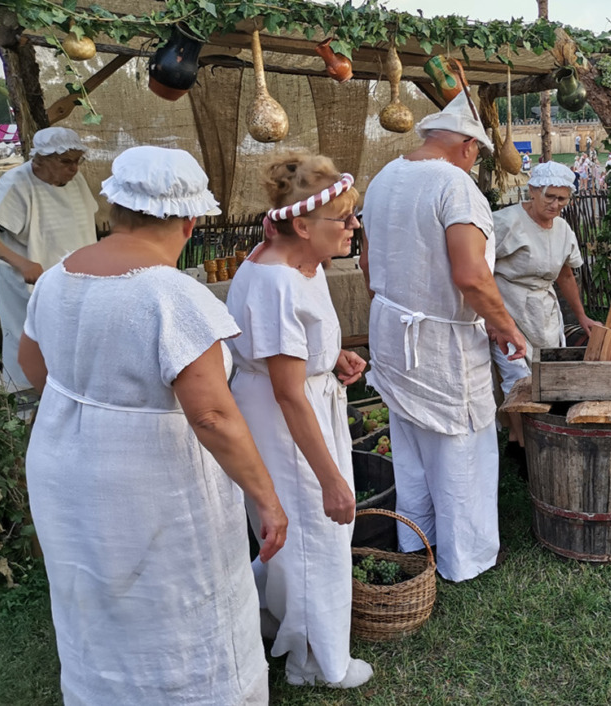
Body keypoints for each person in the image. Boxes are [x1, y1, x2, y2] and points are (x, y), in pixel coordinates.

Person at [17, 146, 288, 703]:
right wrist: (266, 498)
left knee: (92, 594)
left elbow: (31, 363)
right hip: (154, 483)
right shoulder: (171, 294)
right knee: (178, 602)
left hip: (62, 467)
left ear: (113, 206)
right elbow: (211, 416)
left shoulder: (58, 276)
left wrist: (92, 416)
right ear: (190, 221)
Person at [361, 93, 526, 582]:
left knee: (409, 441)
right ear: (469, 148)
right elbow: (471, 276)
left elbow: (369, 265)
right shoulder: (456, 186)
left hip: (392, 329)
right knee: (461, 448)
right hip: (442, 341)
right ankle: (464, 557)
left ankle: (418, 540)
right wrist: (505, 325)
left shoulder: (384, 177)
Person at [227, 152, 373, 688]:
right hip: (285, 422)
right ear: (303, 224)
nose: (354, 226)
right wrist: (330, 478)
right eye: (344, 218)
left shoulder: (289, 263)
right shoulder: (278, 282)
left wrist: (332, 357)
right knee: (316, 533)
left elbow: (287, 350)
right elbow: (288, 393)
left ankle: (275, 621)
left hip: (294, 405)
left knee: (303, 535)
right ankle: (316, 660)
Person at [0, 126, 98, 390]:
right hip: (32, 286)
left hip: (78, 283)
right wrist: (21, 263)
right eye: (66, 161)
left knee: (77, 349)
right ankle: (28, 407)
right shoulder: (16, 181)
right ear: (40, 159)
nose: (74, 168)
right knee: (33, 346)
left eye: (78, 160)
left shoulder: (76, 181)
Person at [491, 161, 597, 469]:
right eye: (549, 196)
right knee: (517, 378)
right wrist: (490, 318)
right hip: (507, 306)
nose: (555, 204)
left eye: (562, 199)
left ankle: (524, 438)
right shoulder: (506, 222)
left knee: (546, 374)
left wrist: (583, 316)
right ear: (533, 191)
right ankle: (525, 449)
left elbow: (565, 275)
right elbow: (480, 268)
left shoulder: (562, 229)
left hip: (545, 311)